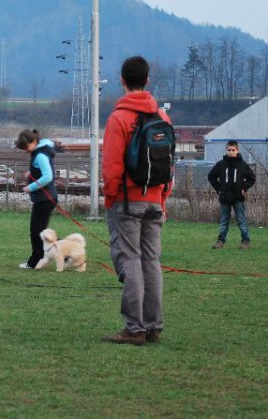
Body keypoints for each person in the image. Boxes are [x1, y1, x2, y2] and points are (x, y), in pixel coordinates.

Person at [100, 56, 173, 345]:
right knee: (151, 262)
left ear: (122, 80)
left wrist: (110, 199)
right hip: (155, 199)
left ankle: (134, 328)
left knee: (129, 260)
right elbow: (169, 162)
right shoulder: (162, 117)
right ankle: (154, 325)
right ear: (147, 80)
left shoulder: (119, 118)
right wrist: (163, 197)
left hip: (127, 201)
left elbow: (112, 168)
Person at [15, 129, 59, 269]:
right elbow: (41, 171)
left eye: (27, 147)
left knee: (37, 232)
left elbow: (48, 177)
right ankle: (66, 251)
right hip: (45, 198)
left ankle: (35, 261)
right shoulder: (41, 151)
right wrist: (31, 173)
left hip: (45, 199)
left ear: (34, 141)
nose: (26, 151)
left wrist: (30, 187)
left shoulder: (40, 155)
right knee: (40, 231)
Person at [207, 140, 256, 249]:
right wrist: (219, 188)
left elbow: (252, 178)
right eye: (229, 150)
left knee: (241, 221)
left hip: (238, 197)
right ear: (226, 150)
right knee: (224, 221)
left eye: (233, 150)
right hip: (224, 197)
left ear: (237, 150)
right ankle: (220, 241)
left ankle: (245, 241)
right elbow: (211, 176)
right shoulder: (221, 164)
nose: (231, 152)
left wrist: (244, 188)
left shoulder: (242, 165)